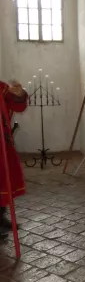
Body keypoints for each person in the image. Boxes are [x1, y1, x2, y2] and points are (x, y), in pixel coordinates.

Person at [0, 80, 28, 238]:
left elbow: (18, 105)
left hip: (1, 146)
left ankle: (0, 219)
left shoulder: (2, 88)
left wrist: (20, 94)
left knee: (3, 182)